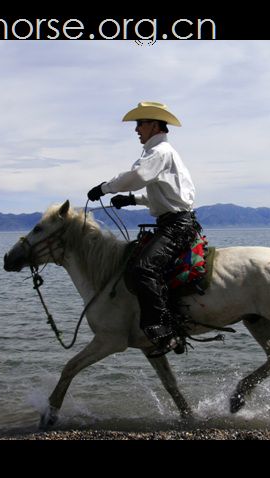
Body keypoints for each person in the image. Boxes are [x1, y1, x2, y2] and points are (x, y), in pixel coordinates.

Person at [87, 101, 197, 356]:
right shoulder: (163, 153)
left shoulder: (159, 152)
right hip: (175, 221)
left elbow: (136, 177)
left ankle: (163, 331)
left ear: (154, 125)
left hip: (175, 226)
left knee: (143, 270)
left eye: (140, 124)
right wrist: (132, 200)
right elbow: (171, 194)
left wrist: (105, 187)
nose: (136, 130)